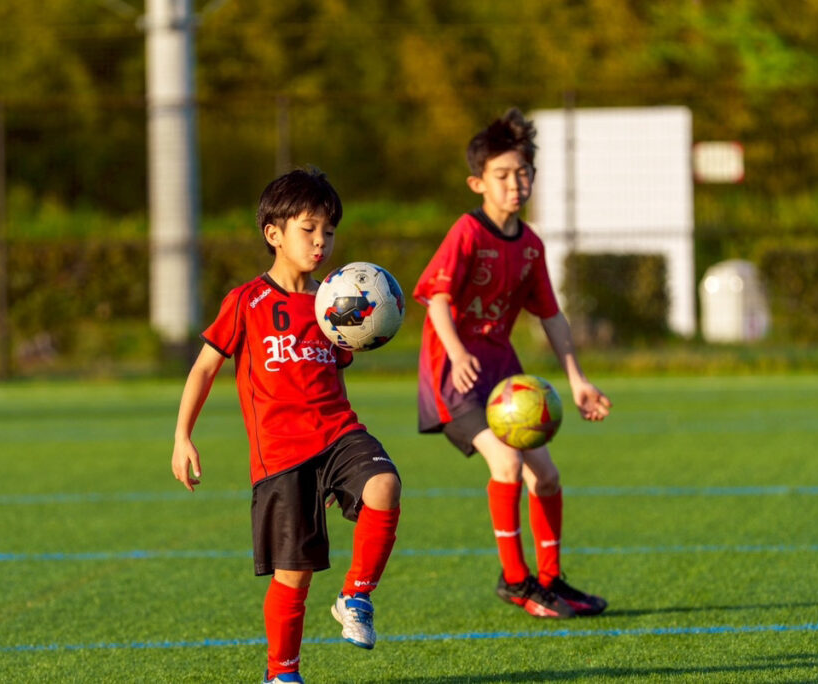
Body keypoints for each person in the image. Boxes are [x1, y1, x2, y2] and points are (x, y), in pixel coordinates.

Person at [172, 168, 402, 683]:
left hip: (339, 433)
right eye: (309, 229)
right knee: (293, 575)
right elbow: (204, 368)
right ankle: (281, 674)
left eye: (329, 231)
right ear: (274, 234)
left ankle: (356, 595)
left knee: (385, 485)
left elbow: (332, 376)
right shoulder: (247, 300)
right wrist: (183, 436)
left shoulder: (336, 305)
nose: (321, 241)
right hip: (281, 455)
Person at [412, 108, 612, 619]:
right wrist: (457, 352)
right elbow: (436, 299)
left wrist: (578, 380)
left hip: (504, 375)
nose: (514, 184)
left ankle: (551, 580)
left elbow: (551, 316)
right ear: (478, 183)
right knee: (507, 464)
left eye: (522, 173)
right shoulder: (467, 232)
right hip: (454, 377)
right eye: (501, 175)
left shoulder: (530, 246)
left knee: (547, 476)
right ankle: (516, 579)